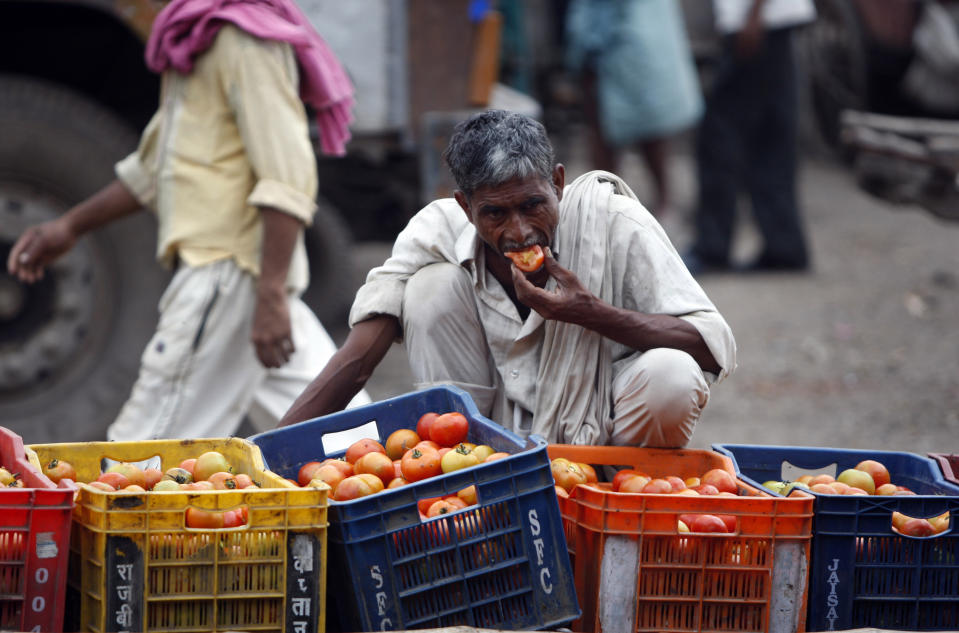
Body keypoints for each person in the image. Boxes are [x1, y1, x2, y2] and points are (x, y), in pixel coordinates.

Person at [6, 0, 370, 440]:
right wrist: (69, 227)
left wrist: (270, 293)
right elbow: (155, 168)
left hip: (226, 275)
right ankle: (393, 503)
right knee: (342, 440)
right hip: (241, 283)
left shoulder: (246, 41)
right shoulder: (193, 40)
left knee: (142, 450)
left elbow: (287, 177)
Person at [280, 110, 736, 448]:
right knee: (429, 287)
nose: (518, 231)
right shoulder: (437, 229)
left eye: (533, 205)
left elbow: (710, 345)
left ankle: (620, 496)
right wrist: (259, 460)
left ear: (558, 183)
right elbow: (357, 359)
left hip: (604, 440)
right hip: (486, 445)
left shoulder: (613, 220)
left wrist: (593, 314)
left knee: (672, 374)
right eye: (495, 213)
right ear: (465, 207)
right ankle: (466, 467)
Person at [686, 0, 815, 274]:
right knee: (770, 136)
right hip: (769, 20)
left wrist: (754, 15)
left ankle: (713, 246)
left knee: (719, 136)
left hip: (755, 21)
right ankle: (784, 246)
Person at [565, 0, 703, 219]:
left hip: (620, 42)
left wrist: (586, 45)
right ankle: (615, 207)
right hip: (634, 39)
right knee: (642, 131)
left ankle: (609, 209)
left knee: (615, 133)